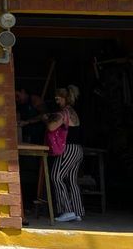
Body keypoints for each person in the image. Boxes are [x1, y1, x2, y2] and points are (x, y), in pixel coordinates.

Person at [44, 85, 84, 223]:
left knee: (56, 176)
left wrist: (46, 119)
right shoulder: (73, 112)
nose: (56, 102)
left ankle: (67, 211)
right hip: (78, 149)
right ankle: (77, 211)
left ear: (64, 98)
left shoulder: (63, 113)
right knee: (72, 180)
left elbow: (51, 127)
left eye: (58, 99)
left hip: (68, 149)